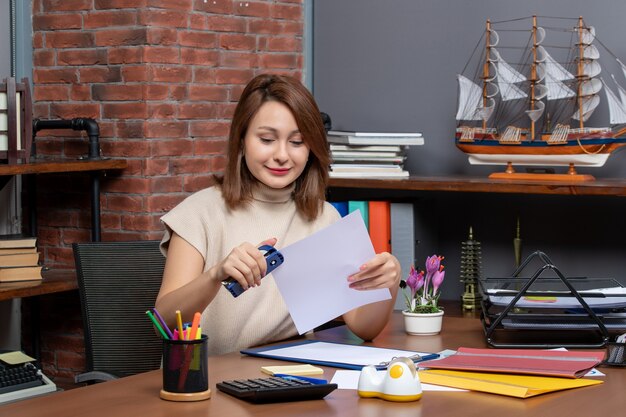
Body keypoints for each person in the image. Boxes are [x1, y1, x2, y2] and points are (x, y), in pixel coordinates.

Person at [156, 73, 401, 355]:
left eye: (297, 142)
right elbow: (163, 322)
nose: (282, 155)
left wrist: (389, 281)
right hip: (203, 381)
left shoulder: (325, 219)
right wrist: (215, 275)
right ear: (242, 140)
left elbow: (364, 327)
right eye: (267, 139)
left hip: (288, 379)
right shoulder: (199, 213)